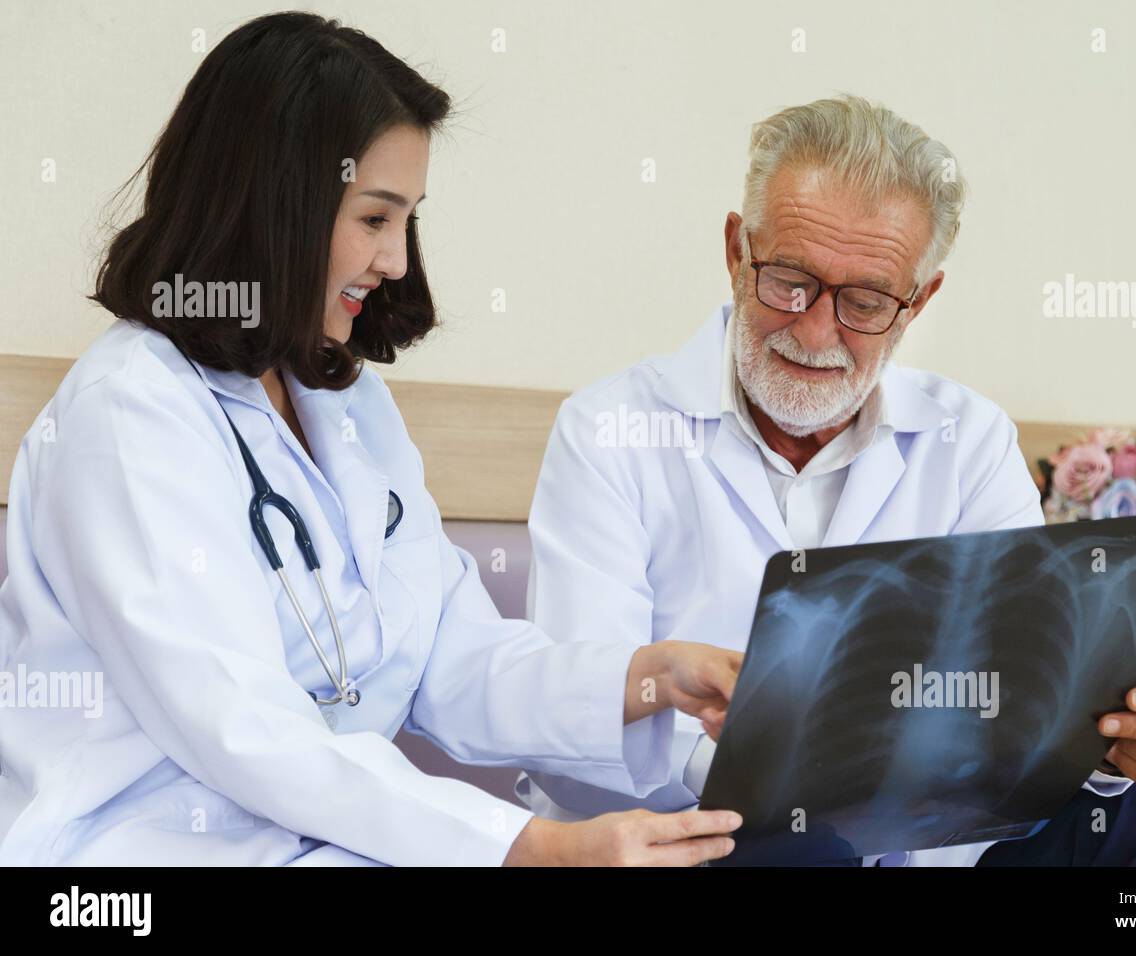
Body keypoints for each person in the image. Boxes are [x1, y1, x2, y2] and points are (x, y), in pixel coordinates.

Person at [0, 12, 744, 867]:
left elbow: (452, 662)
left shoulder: (345, 400)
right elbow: (244, 731)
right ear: (274, 203)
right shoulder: (127, 415)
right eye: (374, 218)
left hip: (316, 843)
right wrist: (532, 847)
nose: (395, 259)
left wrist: (650, 677)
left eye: (407, 221)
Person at [518, 95, 1136, 866]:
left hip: (936, 839)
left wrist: (1118, 744)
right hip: (694, 839)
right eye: (789, 279)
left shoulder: (970, 439)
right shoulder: (610, 431)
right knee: (800, 845)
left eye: (864, 302)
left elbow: (1020, 700)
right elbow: (570, 724)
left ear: (919, 302)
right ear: (736, 249)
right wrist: (769, 782)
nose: (816, 331)